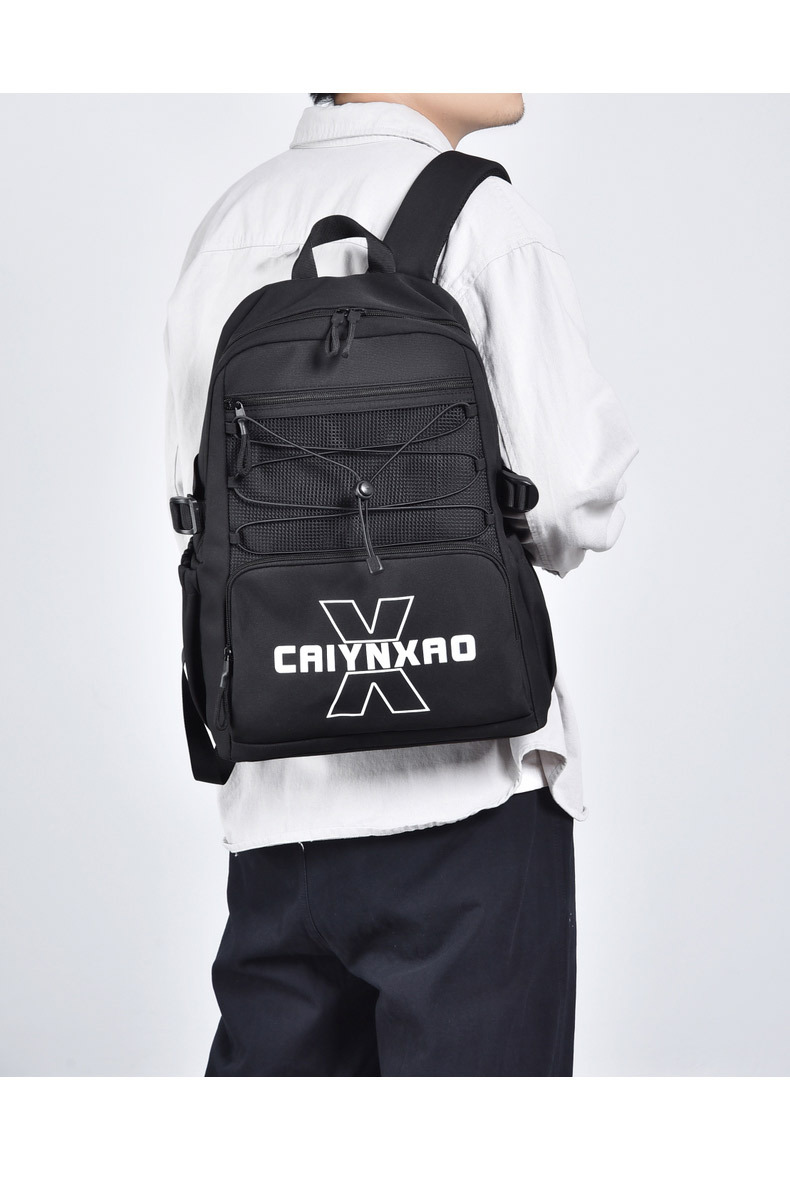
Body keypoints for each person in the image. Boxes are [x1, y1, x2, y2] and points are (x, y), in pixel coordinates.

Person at [165, 93, 638, 1076]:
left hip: (275, 814)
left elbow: (198, 500)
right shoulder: (483, 219)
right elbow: (569, 498)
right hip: (466, 804)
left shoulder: (231, 222)